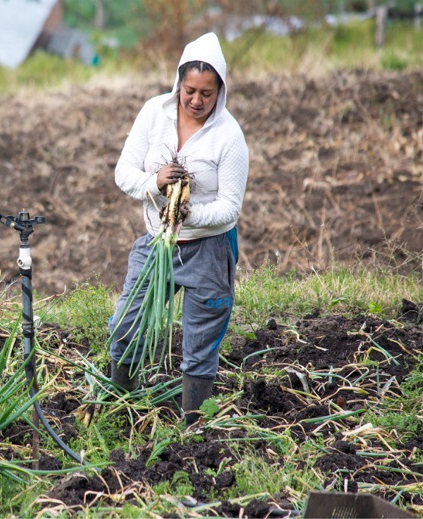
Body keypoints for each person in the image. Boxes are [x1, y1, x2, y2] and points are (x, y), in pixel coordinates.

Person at [108, 33, 249, 425]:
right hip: (157, 242)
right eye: (190, 90)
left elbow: (229, 208)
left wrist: (189, 213)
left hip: (208, 249)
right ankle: (120, 407)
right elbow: (124, 172)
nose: (197, 100)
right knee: (125, 324)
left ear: (220, 90)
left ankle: (193, 428)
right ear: (178, 83)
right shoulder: (154, 112)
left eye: (207, 93)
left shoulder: (229, 137)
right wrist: (155, 182)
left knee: (199, 343)